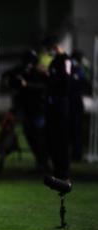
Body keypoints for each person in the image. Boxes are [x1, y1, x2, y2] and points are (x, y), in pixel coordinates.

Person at [42, 36, 73, 193]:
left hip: (61, 104)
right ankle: (57, 171)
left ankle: (64, 173)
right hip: (52, 104)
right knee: (52, 138)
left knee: (61, 138)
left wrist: (51, 78)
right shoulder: (54, 62)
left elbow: (65, 81)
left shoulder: (65, 60)